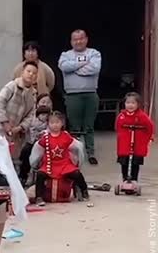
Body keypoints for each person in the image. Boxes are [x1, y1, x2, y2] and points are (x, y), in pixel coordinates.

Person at [58, 29, 102, 165]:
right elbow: (64, 66)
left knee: (89, 125)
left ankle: (90, 153)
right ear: (71, 41)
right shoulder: (65, 55)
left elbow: (94, 68)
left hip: (90, 93)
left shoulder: (94, 53)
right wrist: (82, 64)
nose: (78, 41)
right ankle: (74, 153)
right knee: (74, 126)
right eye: (75, 39)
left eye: (81, 38)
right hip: (72, 95)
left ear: (86, 39)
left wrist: (74, 68)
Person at [29, 111, 89, 206]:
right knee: (40, 175)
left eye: (57, 122)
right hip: (49, 165)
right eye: (52, 123)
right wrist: (35, 163)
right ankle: (39, 197)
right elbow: (37, 150)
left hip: (65, 164)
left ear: (62, 123)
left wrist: (77, 161)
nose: (55, 125)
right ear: (48, 124)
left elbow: (77, 147)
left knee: (76, 173)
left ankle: (84, 190)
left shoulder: (66, 136)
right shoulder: (45, 138)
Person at [0, 61, 38, 159]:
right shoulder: (12, 86)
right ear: (22, 72)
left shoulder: (33, 94)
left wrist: (20, 128)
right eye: (28, 71)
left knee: (10, 159)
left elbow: (31, 115)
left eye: (34, 73)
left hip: (15, 133)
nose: (31, 74)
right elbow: (0, 102)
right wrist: (5, 122)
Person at [115, 92, 154, 182]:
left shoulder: (142, 116)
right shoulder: (121, 116)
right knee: (124, 162)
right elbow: (118, 127)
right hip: (125, 144)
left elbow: (149, 127)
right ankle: (125, 179)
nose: (130, 105)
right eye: (128, 103)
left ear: (138, 104)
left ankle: (134, 180)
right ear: (124, 104)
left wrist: (150, 138)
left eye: (133, 103)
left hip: (137, 144)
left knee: (135, 163)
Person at [18, 105, 51, 186]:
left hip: (44, 145)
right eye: (42, 115)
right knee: (26, 152)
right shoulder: (32, 122)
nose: (44, 117)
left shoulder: (49, 124)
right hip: (31, 143)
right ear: (38, 115)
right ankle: (23, 176)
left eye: (46, 115)